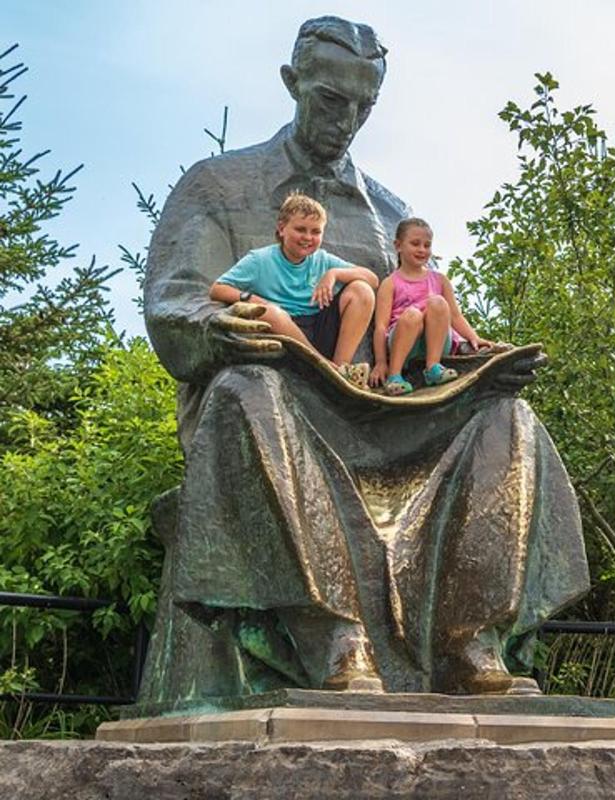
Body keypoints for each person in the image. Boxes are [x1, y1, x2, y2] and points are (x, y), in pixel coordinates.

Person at [140, 16, 590, 700]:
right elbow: (174, 300)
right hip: (277, 401)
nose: (345, 120)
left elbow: (410, 327)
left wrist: (475, 361)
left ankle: (469, 643)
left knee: (506, 414)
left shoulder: (388, 212)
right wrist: (225, 327)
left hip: (377, 408)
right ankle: (333, 638)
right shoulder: (218, 186)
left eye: (363, 106)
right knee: (250, 386)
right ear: (293, 84)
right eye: (329, 100)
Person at [209, 192, 378, 387]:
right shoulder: (259, 260)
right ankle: (326, 368)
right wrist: (251, 298)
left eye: (316, 232)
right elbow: (217, 288)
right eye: (300, 229)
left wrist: (334, 274)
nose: (308, 237)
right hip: (286, 334)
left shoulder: (323, 260)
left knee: (362, 290)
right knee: (271, 313)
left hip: (319, 325)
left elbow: (372, 280)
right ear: (281, 228)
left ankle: (342, 369)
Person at [369, 218, 492, 395]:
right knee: (412, 315)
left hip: (437, 342)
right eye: (415, 244)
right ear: (398, 245)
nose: (422, 250)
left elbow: (456, 317)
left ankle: (433, 367)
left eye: (427, 245)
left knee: (438, 303)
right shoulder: (390, 284)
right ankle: (394, 376)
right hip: (403, 342)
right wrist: (381, 362)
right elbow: (381, 326)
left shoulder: (440, 280)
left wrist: (474, 337)